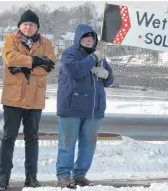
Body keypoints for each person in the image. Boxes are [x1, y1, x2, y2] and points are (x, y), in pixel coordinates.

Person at [0, 9, 56, 190]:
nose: (28, 27)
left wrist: (25, 66)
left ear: (37, 27)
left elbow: (49, 64)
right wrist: (35, 61)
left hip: (35, 99)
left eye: (32, 25)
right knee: (8, 138)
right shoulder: (10, 40)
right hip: (13, 98)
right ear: (20, 26)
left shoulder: (47, 43)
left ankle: (31, 178)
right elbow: (10, 58)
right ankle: (3, 178)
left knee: (32, 139)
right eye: (25, 24)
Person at [55, 24, 114, 188]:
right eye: (85, 37)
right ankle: (64, 176)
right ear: (78, 39)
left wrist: (106, 74)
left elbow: (109, 80)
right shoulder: (69, 54)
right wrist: (94, 58)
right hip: (71, 107)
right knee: (67, 143)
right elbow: (75, 71)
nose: (89, 39)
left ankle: (79, 175)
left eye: (92, 37)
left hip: (94, 109)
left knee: (88, 144)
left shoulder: (99, 56)